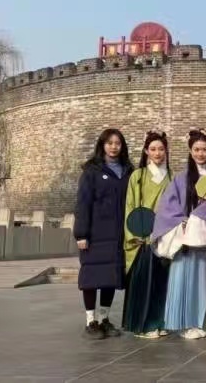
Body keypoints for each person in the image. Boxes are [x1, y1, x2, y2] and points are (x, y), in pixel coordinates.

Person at [152, 128, 206, 340]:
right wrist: (181, 220)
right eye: (197, 149)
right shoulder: (181, 179)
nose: (201, 153)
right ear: (190, 151)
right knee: (183, 280)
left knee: (202, 281)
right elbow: (167, 207)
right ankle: (183, 323)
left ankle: (199, 321)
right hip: (185, 239)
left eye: (204, 149)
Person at [74, 128, 133, 340]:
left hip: (118, 234)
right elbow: (83, 203)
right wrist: (81, 234)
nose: (114, 147)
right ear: (102, 145)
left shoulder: (128, 171)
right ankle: (91, 322)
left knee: (110, 276)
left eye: (117, 143)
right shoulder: (92, 171)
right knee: (91, 276)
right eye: (109, 143)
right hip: (95, 233)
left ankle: (104, 319)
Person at [122, 129, 172, 338]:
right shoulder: (138, 176)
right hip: (144, 237)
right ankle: (143, 326)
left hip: (164, 236)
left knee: (161, 283)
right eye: (153, 149)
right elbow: (131, 206)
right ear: (146, 151)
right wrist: (137, 234)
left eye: (161, 149)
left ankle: (158, 321)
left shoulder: (171, 176)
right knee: (145, 283)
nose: (157, 153)